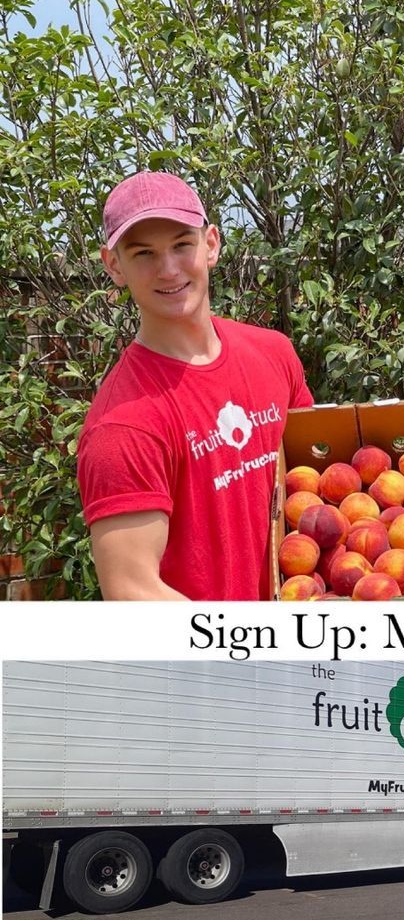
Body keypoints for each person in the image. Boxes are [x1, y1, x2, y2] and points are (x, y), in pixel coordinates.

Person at [78, 171, 314, 600]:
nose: (168, 269)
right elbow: (134, 593)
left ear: (211, 244)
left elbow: (318, 483)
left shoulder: (274, 354)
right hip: (224, 662)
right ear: (114, 265)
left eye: (181, 244)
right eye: (143, 253)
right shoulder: (123, 425)